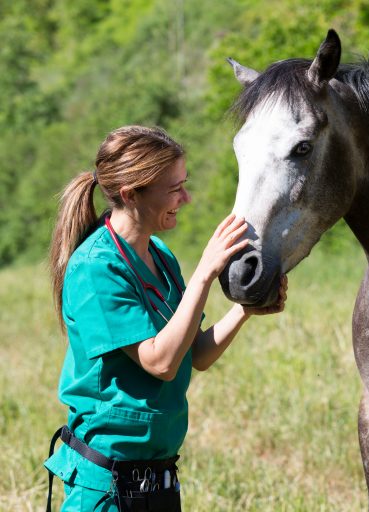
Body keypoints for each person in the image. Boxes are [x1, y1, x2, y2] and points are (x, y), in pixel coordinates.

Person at [44, 125, 287, 511]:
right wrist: (206, 272)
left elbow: (196, 354)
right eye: (174, 188)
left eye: (183, 184)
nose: (185, 198)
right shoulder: (95, 269)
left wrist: (244, 310)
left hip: (155, 479)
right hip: (108, 489)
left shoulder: (159, 255)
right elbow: (160, 361)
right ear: (130, 194)